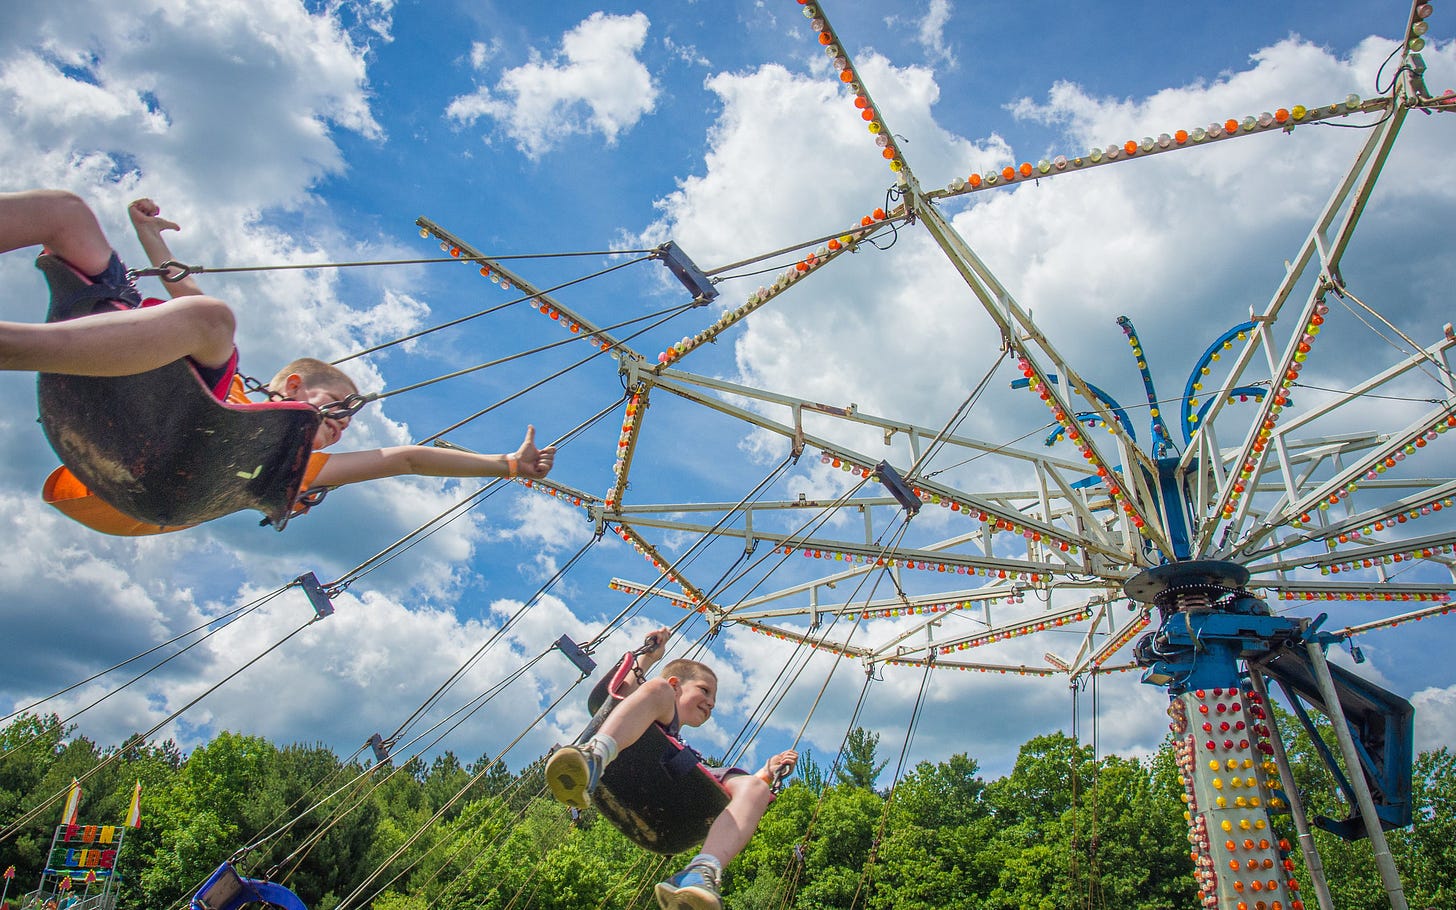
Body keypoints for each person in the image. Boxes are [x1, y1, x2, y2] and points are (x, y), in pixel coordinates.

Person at [0, 189, 556, 533]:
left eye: (346, 422)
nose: (340, 428)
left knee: (212, 323)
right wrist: (151, 239)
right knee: (66, 212)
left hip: (161, 470)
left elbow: (405, 460)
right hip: (111, 399)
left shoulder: (293, 461)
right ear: (291, 385)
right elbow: (186, 297)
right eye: (336, 410)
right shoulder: (232, 383)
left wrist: (505, 464)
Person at [546, 628, 798, 910]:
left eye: (714, 700)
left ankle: (701, 873)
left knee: (754, 786)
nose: (711, 703)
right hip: (621, 762)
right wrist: (647, 659)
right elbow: (619, 694)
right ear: (678, 684)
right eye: (704, 690)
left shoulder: (688, 753)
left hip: (671, 803)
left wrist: (766, 774)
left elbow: (738, 794)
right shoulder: (657, 698)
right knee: (656, 689)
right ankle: (594, 758)